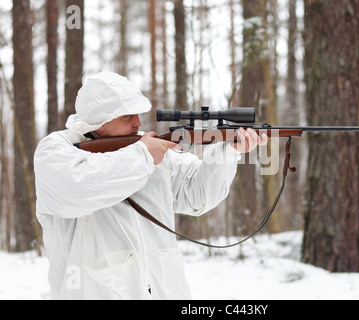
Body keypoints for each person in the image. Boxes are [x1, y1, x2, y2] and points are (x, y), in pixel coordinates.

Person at [34, 72, 267, 300]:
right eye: (127, 116)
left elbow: (197, 195)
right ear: (101, 121)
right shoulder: (57, 150)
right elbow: (78, 188)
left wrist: (227, 150)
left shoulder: (147, 144)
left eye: (137, 114)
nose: (137, 122)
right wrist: (143, 157)